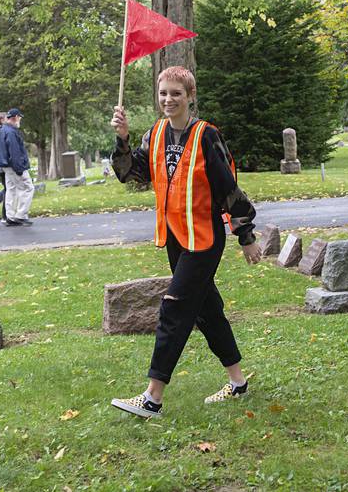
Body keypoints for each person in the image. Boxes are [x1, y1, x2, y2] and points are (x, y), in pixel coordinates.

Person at [109, 66, 262, 418]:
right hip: (175, 238)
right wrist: (123, 138)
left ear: (190, 97)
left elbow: (228, 187)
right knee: (207, 311)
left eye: (176, 93)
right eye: (163, 93)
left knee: (174, 309)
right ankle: (238, 384)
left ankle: (152, 398)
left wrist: (246, 235)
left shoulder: (207, 136)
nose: (168, 99)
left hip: (204, 239)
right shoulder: (156, 133)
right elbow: (131, 173)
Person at [0, 108, 34, 226]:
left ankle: (10, 217)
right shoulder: (11, 132)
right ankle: (21, 215)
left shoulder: (3, 130)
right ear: (15, 117)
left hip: (6, 166)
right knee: (27, 188)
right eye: (19, 117)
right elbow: (15, 152)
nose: (20, 120)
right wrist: (19, 169)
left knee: (11, 190)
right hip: (14, 165)